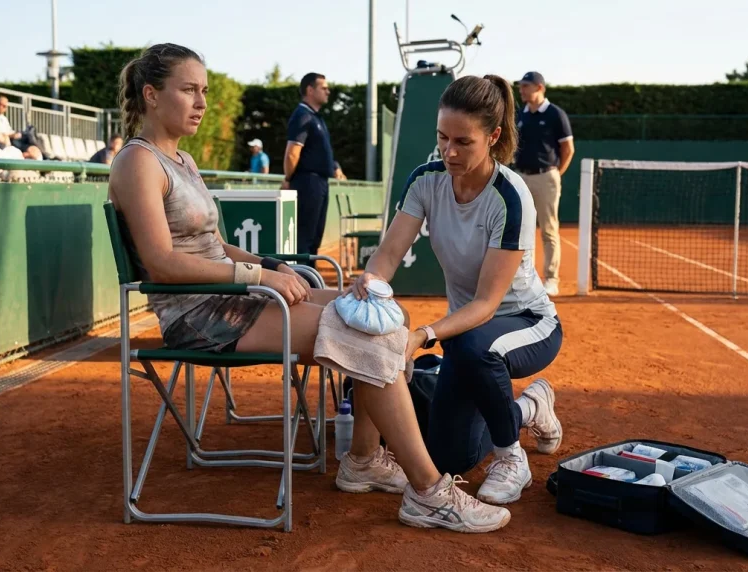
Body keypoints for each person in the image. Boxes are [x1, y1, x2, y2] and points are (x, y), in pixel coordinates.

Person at [108, 43, 510, 534]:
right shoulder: (137, 162)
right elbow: (162, 263)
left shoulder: (183, 161)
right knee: (363, 334)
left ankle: (363, 459)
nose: (202, 102)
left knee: (385, 314)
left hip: (232, 296)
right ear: (151, 95)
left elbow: (217, 246)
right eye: (189, 90)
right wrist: (260, 279)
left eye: (205, 91)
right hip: (200, 316)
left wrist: (274, 265)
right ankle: (428, 491)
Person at [352, 74, 564, 506]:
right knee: (450, 457)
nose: (449, 151)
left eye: (463, 142)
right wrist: (371, 284)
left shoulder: (511, 196)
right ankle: (529, 408)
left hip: (527, 323)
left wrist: (422, 336)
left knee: (469, 345)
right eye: (442, 138)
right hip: (468, 333)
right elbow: (388, 254)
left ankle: (510, 457)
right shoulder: (425, 180)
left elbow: (487, 304)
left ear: (493, 137)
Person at [513, 71, 574, 297]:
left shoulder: (555, 114)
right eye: (521, 86)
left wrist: (555, 173)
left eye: (526, 86)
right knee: (520, 229)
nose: (521, 90)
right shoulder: (522, 115)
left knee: (548, 229)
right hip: (522, 177)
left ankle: (551, 279)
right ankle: (522, 278)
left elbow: (568, 149)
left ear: (539, 87)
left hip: (546, 177)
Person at [280, 73, 346, 266]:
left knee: (315, 238)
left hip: (320, 183)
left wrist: (334, 166)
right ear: (310, 90)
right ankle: (304, 284)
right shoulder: (302, 115)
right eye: (323, 87)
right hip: (307, 183)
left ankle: (311, 282)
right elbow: (292, 153)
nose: (328, 91)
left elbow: (319, 151)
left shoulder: (316, 117)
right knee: (305, 238)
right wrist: (288, 178)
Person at [0, 95, 44, 160]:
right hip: (11, 139)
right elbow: (0, 134)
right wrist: (12, 135)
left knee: (30, 135)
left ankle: (42, 154)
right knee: (30, 140)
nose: (4, 108)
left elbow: (9, 130)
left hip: (14, 137)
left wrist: (15, 133)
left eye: (5, 106)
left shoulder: (3, 118)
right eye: (2, 105)